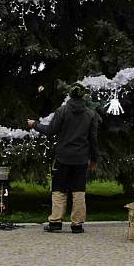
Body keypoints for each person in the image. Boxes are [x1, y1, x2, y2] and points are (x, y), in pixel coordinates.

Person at [27, 83, 99, 234]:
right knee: (79, 191)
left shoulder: (62, 111)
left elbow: (50, 131)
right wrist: (94, 159)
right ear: (83, 95)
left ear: (70, 95)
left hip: (63, 157)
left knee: (59, 189)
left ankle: (55, 222)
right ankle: (77, 224)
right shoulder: (90, 114)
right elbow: (93, 139)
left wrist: (34, 124)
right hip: (81, 159)